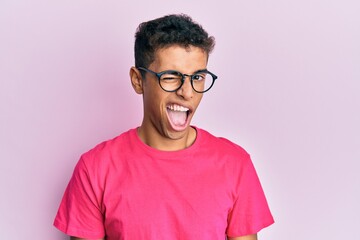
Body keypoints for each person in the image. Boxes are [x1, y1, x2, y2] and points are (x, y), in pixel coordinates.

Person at [54, 14, 274, 240]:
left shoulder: (235, 164)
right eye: (171, 76)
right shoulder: (95, 169)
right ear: (138, 80)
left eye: (197, 77)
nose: (187, 92)